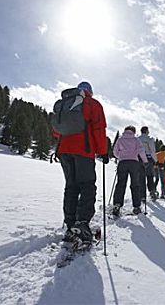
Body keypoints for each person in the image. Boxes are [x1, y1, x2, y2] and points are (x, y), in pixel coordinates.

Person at [52, 81, 108, 244]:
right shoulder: (93, 104)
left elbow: (56, 131)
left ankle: (70, 224)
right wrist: (103, 151)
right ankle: (82, 224)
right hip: (83, 150)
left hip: (64, 151)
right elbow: (99, 129)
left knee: (71, 186)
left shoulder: (65, 105)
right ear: (90, 91)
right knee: (87, 185)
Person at [112, 125, 148, 216]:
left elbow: (115, 152)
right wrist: (145, 161)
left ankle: (117, 205)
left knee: (120, 184)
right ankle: (136, 206)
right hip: (134, 163)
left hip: (122, 163)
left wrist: (120, 156)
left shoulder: (120, 139)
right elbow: (141, 151)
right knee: (135, 184)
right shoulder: (136, 140)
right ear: (133, 131)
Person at [137, 126, 158, 201]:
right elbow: (152, 150)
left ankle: (142, 195)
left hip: (139, 159)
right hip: (148, 159)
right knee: (150, 176)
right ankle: (152, 192)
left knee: (141, 177)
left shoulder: (138, 139)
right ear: (146, 131)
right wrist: (155, 160)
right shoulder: (149, 139)